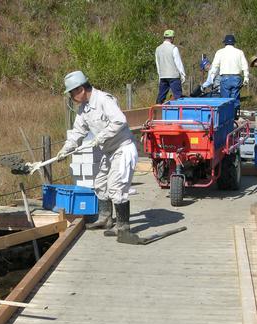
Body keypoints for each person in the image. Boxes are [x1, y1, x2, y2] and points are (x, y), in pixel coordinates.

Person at [54, 71, 138, 244]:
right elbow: (77, 132)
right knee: (100, 183)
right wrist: (65, 150)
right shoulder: (83, 109)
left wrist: (100, 137)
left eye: (72, 93)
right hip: (108, 152)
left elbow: (119, 120)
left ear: (81, 89)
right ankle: (105, 218)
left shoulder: (103, 100)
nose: (71, 97)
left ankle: (123, 228)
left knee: (116, 187)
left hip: (123, 148)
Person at [209, 34, 249, 113]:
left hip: (225, 78)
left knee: (225, 100)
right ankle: (235, 115)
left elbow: (215, 66)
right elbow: (245, 65)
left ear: (225, 43)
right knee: (235, 99)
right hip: (236, 78)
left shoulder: (220, 52)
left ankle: (226, 116)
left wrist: (211, 77)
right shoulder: (239, 52)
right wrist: (246, 77)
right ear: (234, 43)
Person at [155, 29, 186, 104]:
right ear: (172, 38)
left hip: (163, 76)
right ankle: (179, 113)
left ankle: (156, 111)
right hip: (173, 76)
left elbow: (158, 64)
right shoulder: (173, 48)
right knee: (178, 96)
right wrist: (182, 74)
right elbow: (178, 62)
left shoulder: (158, 49)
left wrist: (160, 75)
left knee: (161, 96)